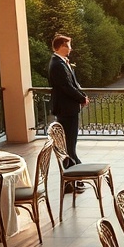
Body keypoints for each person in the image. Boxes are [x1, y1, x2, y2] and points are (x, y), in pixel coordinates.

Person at [47, 34, 88, 192]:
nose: (71, 48)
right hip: (66, 110)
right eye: (69, 45)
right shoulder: (57, 64)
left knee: (70, 147)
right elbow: (66, 87)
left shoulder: (61, 62)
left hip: (68, 109)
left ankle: (72, 182)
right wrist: (81, 98)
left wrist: (81, 96)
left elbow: (72, 83)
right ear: (62, 46)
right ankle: (73, 181)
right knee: (69, 147)